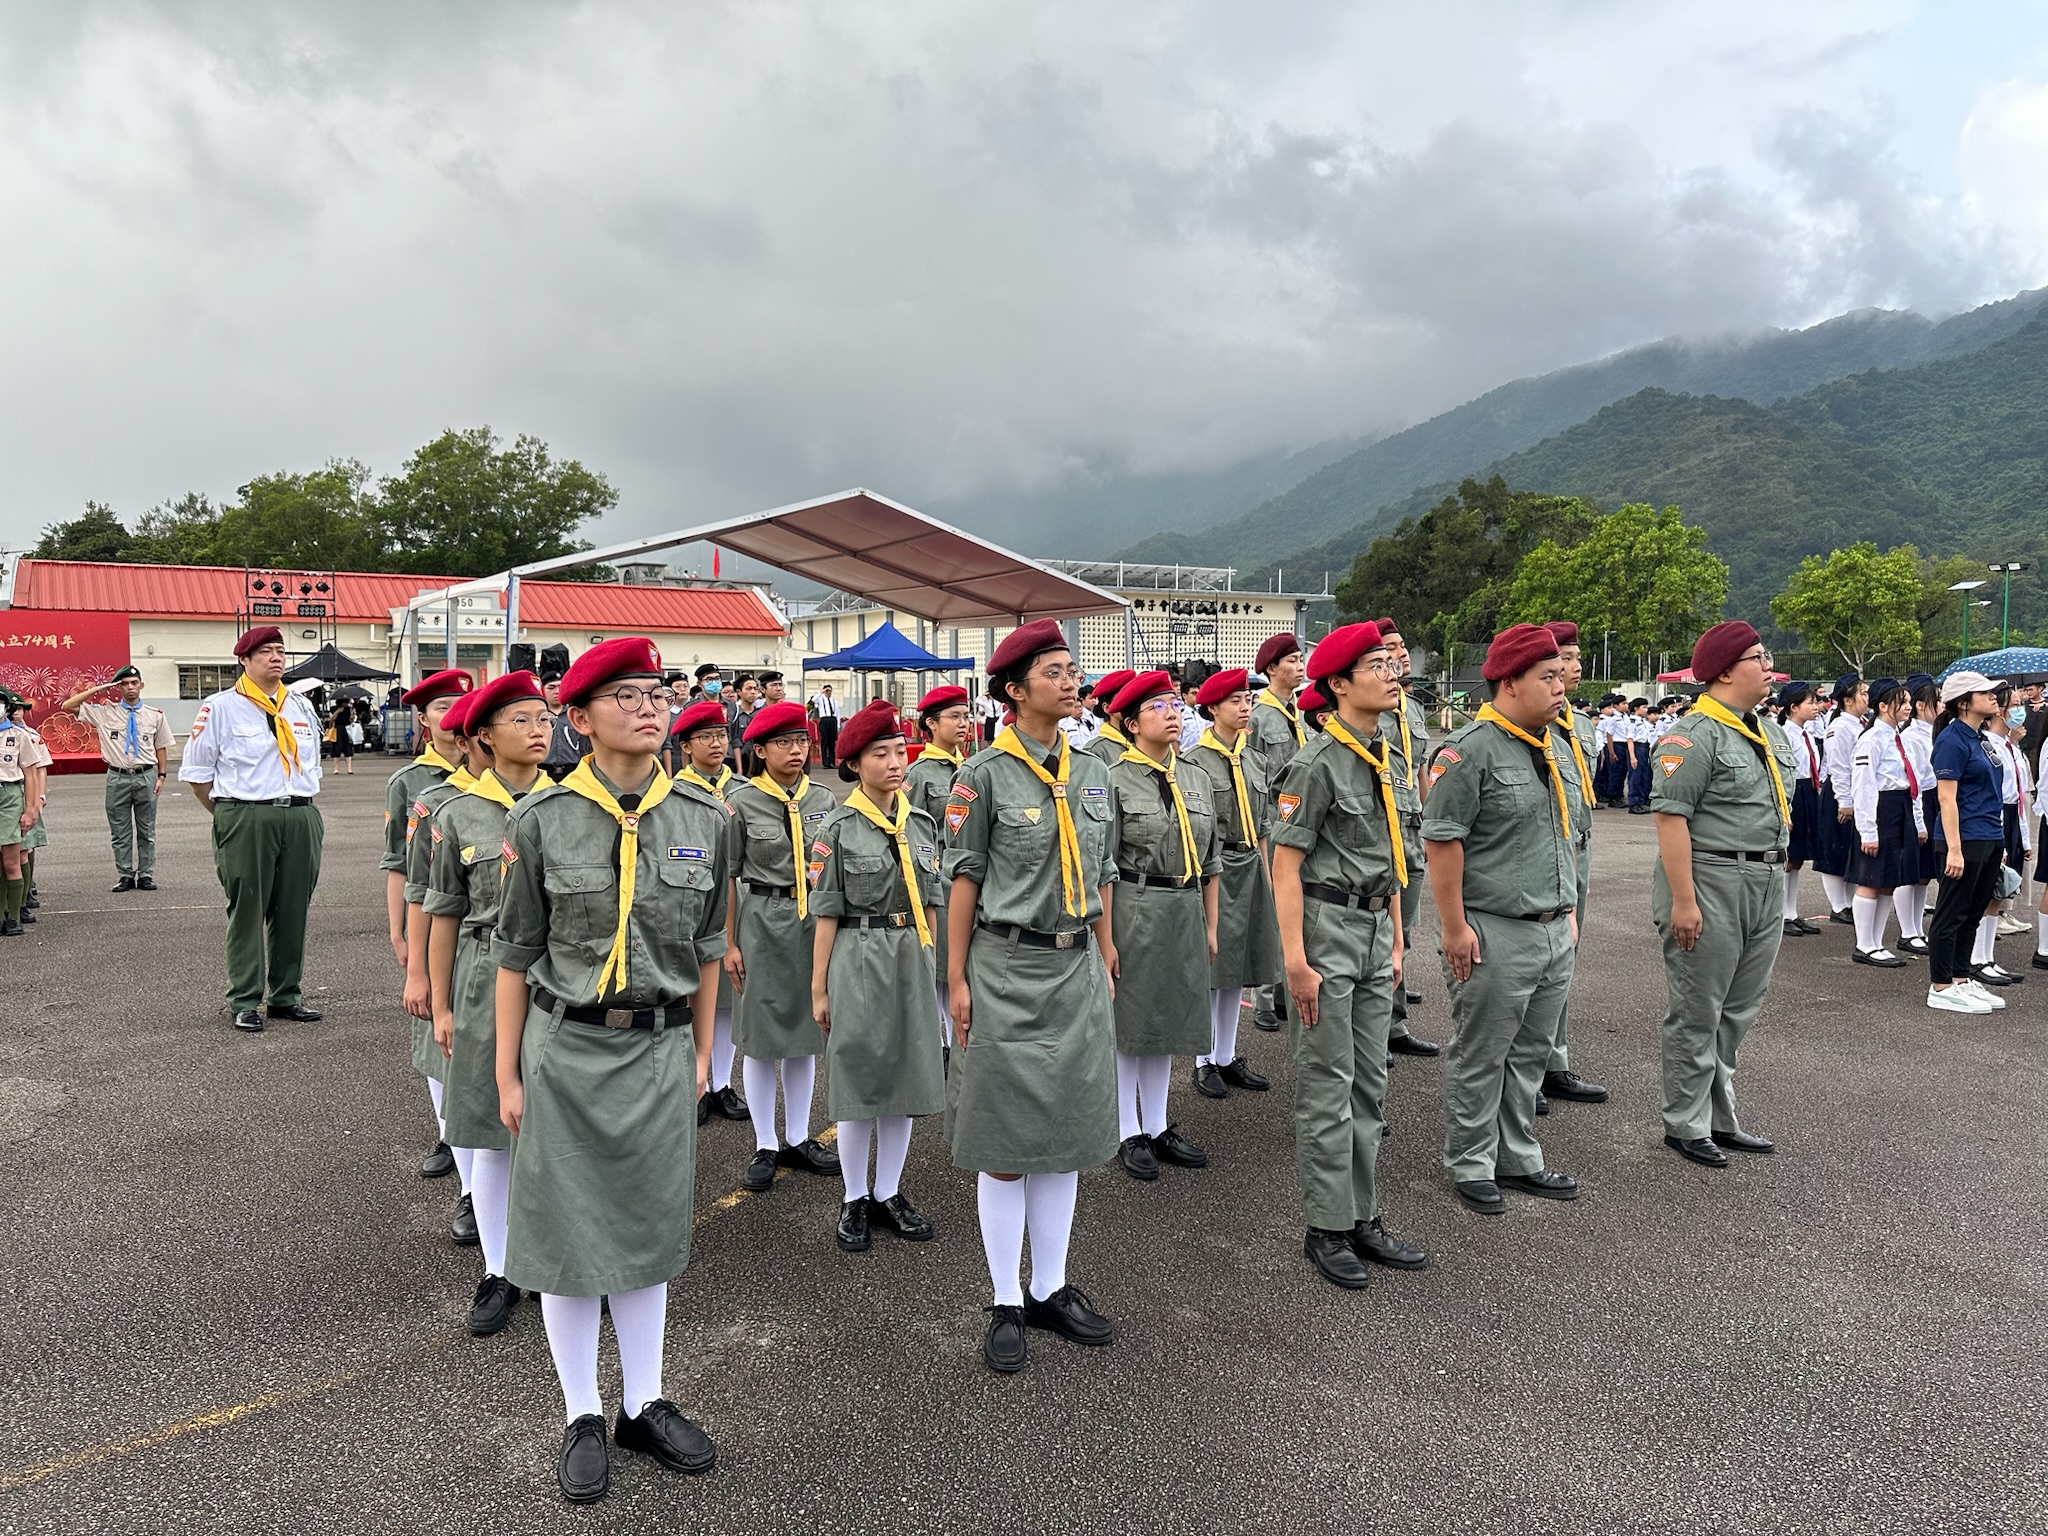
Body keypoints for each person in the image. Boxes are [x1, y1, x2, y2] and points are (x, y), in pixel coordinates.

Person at [491, 637, 727, 1503]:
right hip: (567, 1049)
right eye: (625, 696)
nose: (649, 707)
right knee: (567, 1237)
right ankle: (582, 1411)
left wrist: (702, 1051)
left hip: (660, 1045)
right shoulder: (541, 820)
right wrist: (509, 1075)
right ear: (580, 720)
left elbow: (708, 946)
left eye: (656, 693)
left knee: (646, 1228)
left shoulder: (705, 818)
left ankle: (644, 1402)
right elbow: (515, 955)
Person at [943, 618, 1120, 1374]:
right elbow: (963, 881)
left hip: (1075, 964)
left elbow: (1103, 872)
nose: (1071, 679)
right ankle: (1005, 1298)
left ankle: (1050, 1287)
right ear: (1014, 691)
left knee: (1066, 1139)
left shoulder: (1093, 771)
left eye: (1072, 669)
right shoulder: (981, 775)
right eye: (1054, 671)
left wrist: (1106, 950)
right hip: (1007, 969)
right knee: (1007, 1147)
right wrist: (956, 978)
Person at [1273, 622, 1428, 1286]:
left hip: (1372, 928)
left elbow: (1392, 854)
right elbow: (1284, 865)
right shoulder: (1315, 765)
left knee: (1370, 1081)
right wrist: (1295, 961)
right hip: (1327, 930)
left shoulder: (1386, 756)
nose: (1392, 674)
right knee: (1328, 1084)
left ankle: (1362, 1214)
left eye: (1391, 664)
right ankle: (1327, 1225)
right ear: (1338, 684)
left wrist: (1396, 937)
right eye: (1376, 666)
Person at [1424, 624, 1581, 1212]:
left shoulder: (1553, 746)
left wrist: (1566, 912)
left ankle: (1516, 1155)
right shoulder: (1467, 751)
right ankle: (1471, 1161)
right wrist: (1454, 928)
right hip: (1493, 928)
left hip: (1550, 926)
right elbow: (1443, 841)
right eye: (1548, 676)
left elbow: (1563, 833)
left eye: (1561, 674)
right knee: (1483, 1051)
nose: (1561, 685)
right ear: (1509, 683)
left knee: (1531, 1052)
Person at [424, 671, 552, 1337]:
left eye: (544, 717)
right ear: (483, 736)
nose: (538, 730)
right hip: (481, 972)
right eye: (521, 720)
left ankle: (559, 1261)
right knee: (492, 1133)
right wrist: (441, 1003)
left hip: (557, 977)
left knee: (555, 1128)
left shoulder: (570, 806)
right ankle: (499, 1269)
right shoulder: (457, 814)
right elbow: (444, 913)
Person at [1648, 622, 1792, 1167]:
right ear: (1726, 671)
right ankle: (1686, 1122)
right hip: (1711, 878)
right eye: (1758, 657)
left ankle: (1718, 1115)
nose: (1769, 666)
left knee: (1738, 1008)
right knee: (1698, 1008)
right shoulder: (1692, 736)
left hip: (1766, 878)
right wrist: (1684, 900)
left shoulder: (1768, 733)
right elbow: (1671, 820)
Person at [809, 699, 947, 1253]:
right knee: (861, 1080)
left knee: (905, 1077)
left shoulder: (921, 824)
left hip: (911, 954)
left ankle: (888, 1191)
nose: (894, 763)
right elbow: (825, 913)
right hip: (858, 955)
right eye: (880, 754)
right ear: (853, 765)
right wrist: (819, 987)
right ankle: (854, 1197)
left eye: (898, 752)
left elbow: (931, 900)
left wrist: (933, 963)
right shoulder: (838, 828)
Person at [177, 626, 326, 1033]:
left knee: (293, 909)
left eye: (280, 651)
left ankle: (286, 996)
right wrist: (231, 816)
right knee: (247, 909)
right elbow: (198, 776)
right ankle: (244, 999)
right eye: (265, 652)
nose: (276, 658)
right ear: (244, 660)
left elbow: (310, 765)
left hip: (300, 814)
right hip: (246, 814)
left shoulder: (300, 706)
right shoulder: (220, 707)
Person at [1102, 670, 1218, 1181]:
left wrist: (1210, 927)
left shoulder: (1195, 776)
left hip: (1184, 906)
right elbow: (1103, 866)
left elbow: (1211, 862)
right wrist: (1106, 939)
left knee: (1167, 1021)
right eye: (1157, 707)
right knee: (1133, 1023)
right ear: (1131, 724)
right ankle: (1127, 1129)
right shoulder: (1112, 779)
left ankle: (1157, 1124)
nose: (1171, 713)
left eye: (1174, 704)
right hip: (1136, 905)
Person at [726, 700, 841, 1192]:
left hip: (812, 921)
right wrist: (729, 942)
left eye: (801, 741)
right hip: (761, 921)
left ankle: (797, 1137)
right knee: (760, 1036)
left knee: (804, 1032)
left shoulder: (823, 799)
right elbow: (728, 876)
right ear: (760, 750)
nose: (796, 751)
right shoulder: (741, 802)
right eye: (784, 743)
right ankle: (765, 1142)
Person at [382, 669, 476, 1179]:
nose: (453, 716)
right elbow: (401, 867)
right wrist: (399, 935)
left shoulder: (494, 766)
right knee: (435, 1031)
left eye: (461, 705)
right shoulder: (411, 783)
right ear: (422, 719)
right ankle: (448, 1133)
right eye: (442, 707)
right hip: (433, 920)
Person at [1183, 667, 1279, 1100]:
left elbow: (1263, 824)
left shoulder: (1254, 758)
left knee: (1238, 968)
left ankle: (1226, 1054)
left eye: (1248, 700)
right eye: (1235, 701)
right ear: (1212, 708)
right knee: (1213, 967)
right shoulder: (1195, 762)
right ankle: (1203, 1059)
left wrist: (1268, 875)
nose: (1245, 708)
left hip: (1250, 863)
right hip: (1216, 869)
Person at [669, 700, 750, 1125]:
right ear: (686, 746)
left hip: (735, 904)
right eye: (706, 737)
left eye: (721, 735)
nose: (717, 743)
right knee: (692, 994)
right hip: (691, 901)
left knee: (727, 1000)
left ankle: (723, 1083)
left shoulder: (743, 789)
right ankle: (694, 1083)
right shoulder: (673, 793)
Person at [1540, 622, 1607, 1110]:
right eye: (1565, 657)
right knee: (1536, 964)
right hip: (1543, 852)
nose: (1575, 666)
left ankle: (1552, 1061)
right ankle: (1525, 1069)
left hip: (1577, 849)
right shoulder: (1532, 725)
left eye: (1577, 657)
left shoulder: (1580, 724)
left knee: (1564, 961)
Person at [1373, 618, 1440, 1059]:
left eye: (1402, 645)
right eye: (1390, 648)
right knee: (1381, 931)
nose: (1401, 653)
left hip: (1413, 827)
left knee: (1404, 931)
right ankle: (1374, 1031)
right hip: (1381, 827)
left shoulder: (1411, 708)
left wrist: (1429, 821)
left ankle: (1394, 1025)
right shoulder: (1368, 707)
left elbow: (1419, 770)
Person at [1926, 672, 2009, 1013]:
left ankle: (1960, 977)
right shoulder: (1951, 740)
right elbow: (1946, 798)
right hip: (1964, 838)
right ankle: (1941, 985)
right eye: (1984, 693)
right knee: (1951, 913)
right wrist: (1955, 849)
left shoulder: (1980, 738)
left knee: (1972, 913)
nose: (1993, 697)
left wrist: (1999, 842)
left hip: (1988, 836)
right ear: (1963, 703)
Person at [59, 665, 172, 892]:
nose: (130, 687)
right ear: (118, 687)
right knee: (120, 831)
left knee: (147, 830)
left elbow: (160, 747)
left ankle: (146, 874)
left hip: (145, 775)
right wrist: (98, 689)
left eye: (134, 683)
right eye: (125, 684)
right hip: (117, 777)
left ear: (141, 685)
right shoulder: (105, 712)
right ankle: (125, 875)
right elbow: (68, 705)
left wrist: (161, 775)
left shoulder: (155, 715)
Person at [905, 685, 973, 1048]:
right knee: (939, 968)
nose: (963, 723)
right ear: (931, 724)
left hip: (970, 880)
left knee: (963, 968)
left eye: (966, 716)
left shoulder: (973, 767)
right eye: (954, 717)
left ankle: (957, 1042)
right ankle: (937, 1045)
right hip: (939, 882)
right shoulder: (919, 774)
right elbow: (911, 829)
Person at [1249, 635, 1309, 1031]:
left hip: (1301, 825)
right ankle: (1264, 997)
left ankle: (1288, 991)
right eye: (1291, 660)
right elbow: (1253, 776)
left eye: (1301, 658)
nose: (1299, 665)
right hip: (1272, 825)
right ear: (1271, 669)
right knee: (1272, 910)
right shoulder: (1259, 717)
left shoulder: (1300, 713)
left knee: (1297, 907)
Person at [1846, 679, 1922, 968]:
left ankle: (1877, 943)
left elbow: (1913, 782)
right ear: (1882, 706)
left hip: (1900, 807)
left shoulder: (1899, 737)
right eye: (1901, 702)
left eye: (1908, 702)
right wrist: (1868, 831)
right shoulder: (1871, 739)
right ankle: (1864, 944)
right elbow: (1863, 786)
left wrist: (1917, 821)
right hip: (1881, 810)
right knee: (1871, 878)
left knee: (1889, 880)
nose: (1908, 707)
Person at [1772, 682, 1827, 938]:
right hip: (1794, 793)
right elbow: (1780, 775)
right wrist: (1784, 811)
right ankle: (1781, 915)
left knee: (1798, 859)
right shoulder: (1784, 735)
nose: (1816, 707)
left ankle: (1792, 912)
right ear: (1793, 707)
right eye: (1810, 703)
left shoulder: (1806, 734)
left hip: (1808, 793)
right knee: (1789, 858)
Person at [1815, 675, 1868, 924]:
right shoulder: (1839, 728)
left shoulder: (1860, 724)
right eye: (1863, 693)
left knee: (1850, 849)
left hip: (1856, 791)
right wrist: (1844, 801)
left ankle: (1849, 904)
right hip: (1839, 792)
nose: (1867, 698)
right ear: (1847, 700)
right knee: (1834, 849)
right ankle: (1839, 906)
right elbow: (1838, 766)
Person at [0, 699, 44, 938]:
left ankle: (15, 916)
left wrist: (31, 809)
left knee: (11, 861)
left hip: (9, 796)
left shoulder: (19, 736)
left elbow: (31, 774)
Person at [1080, 670, 1135, 767]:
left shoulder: (1145, 742)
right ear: (1107, 708)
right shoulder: (1095, 751)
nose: (1131, 704)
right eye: (1124, 698)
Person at [541, 670, 590, 778]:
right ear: (542, 690)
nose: (557, 691)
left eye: (560, 687)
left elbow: (586, 745)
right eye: (551, 688)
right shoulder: (538, 717)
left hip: (573, 772)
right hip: (544, 772)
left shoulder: (576, 714)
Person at [1624, 698, 1654, 813]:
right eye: (1644, 707)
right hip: (1637, 748)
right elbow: (1630, 739)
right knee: (1635, 776)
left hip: (1645, 747)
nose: (1646, 710)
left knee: (1643, 776)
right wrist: (1632, 756)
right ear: (1636, 708)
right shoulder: (1633, 721)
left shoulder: (1643, 721)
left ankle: (1641, 801)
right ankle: (1634, 803)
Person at [807, 681, 841, 767]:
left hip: (832, 720)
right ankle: (825, 762)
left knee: (832, 742)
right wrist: (821, 692)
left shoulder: (834, 701)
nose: (829, 693)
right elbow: (813, 700)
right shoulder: (820, 700)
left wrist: (838, 725)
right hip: (824, 720)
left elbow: (837, 713)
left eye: (830, 691)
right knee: (824, 742)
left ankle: (832, 762)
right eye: (827, 691)